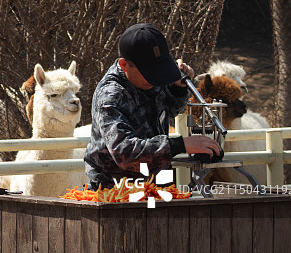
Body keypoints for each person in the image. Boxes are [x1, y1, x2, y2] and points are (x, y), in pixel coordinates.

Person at [84, 22, 221, 190]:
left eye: (159, 71)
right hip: (115, 193)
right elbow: (124, 153)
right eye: (149, 73)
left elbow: (168, 111)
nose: (155, 80)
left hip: (156, 187)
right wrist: (180, 145)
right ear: (124, 64)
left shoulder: (148, 80)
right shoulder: (111, 95)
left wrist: (178, 89)